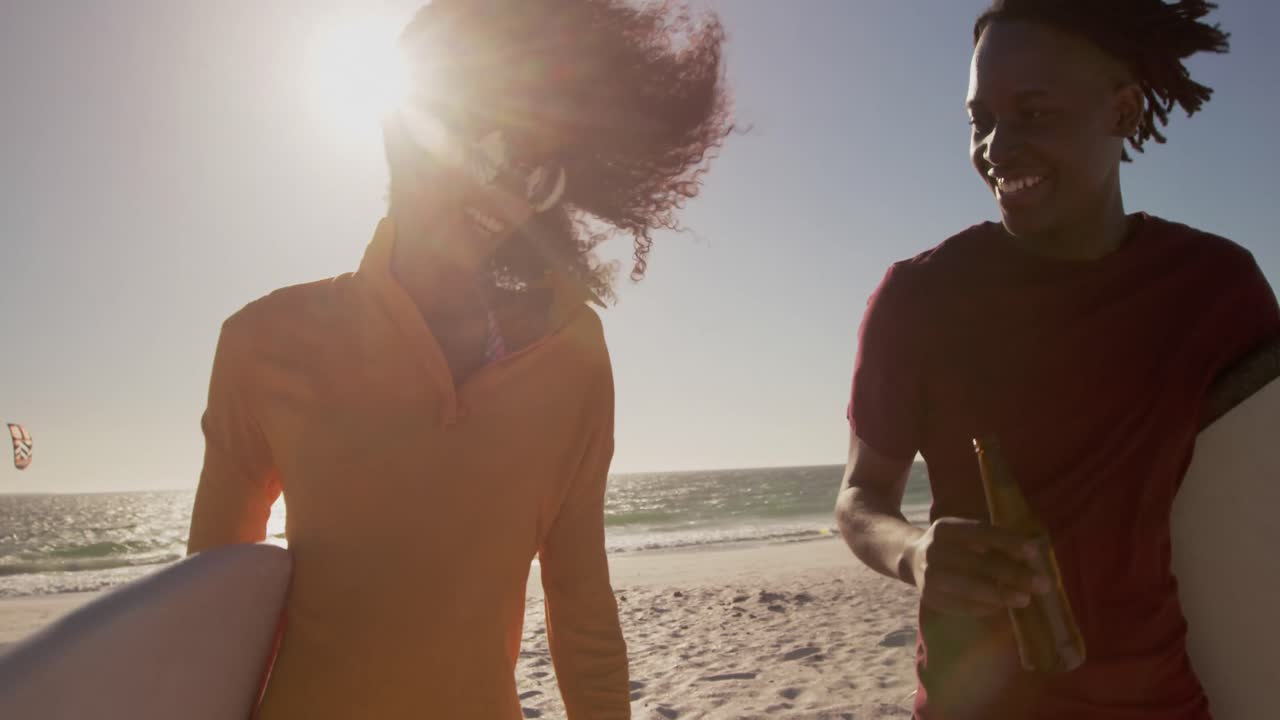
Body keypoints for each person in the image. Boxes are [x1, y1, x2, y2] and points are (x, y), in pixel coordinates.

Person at [185, 1, 732, 717]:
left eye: (539, 174)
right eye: (492, 146)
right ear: (402, 123)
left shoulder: (569, 359)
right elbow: (201, 622)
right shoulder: (264, 344)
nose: (504, 193)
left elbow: (583, 614)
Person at [834, 1, 1280, 718]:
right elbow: (860, 500)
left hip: (1155, 700)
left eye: (1033, 114)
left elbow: (1258, 492)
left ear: (1126, 112)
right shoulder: (920, 297)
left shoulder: (1215, 290)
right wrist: (912, 552)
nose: (997, 147)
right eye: (980, 120)